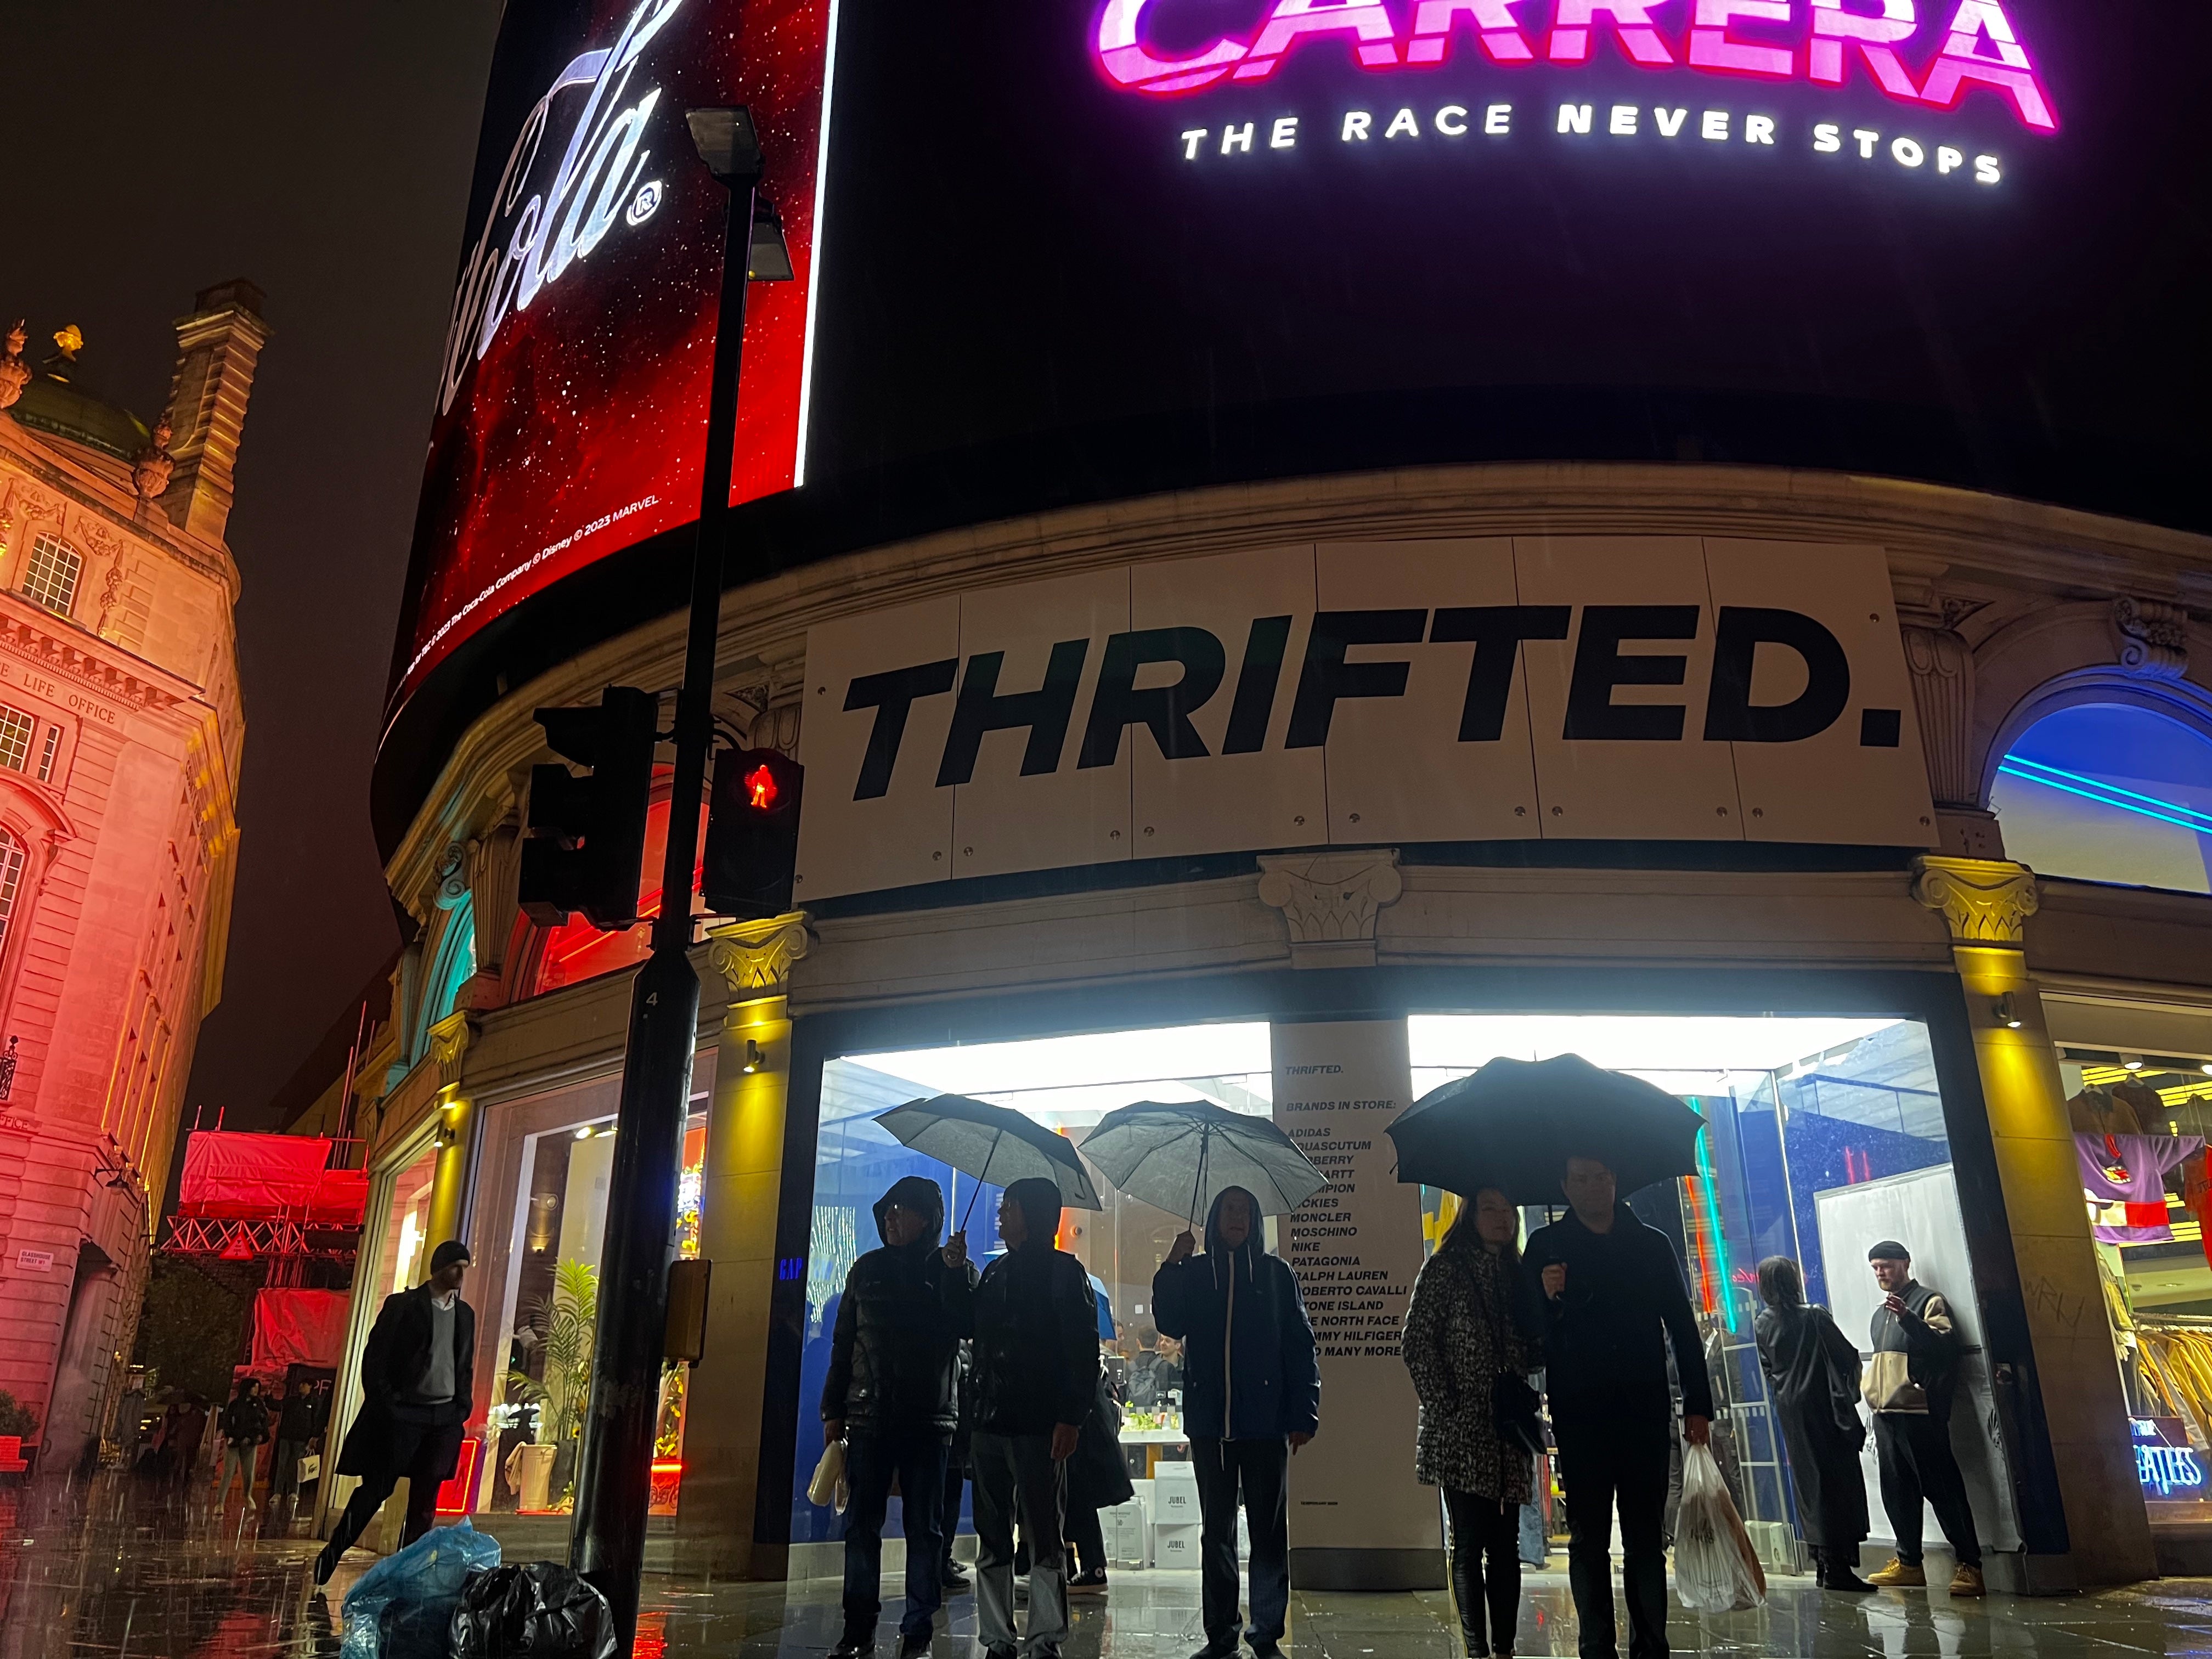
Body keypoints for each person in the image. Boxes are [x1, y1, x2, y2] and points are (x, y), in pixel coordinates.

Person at [1524, 1155, 1712, 1659]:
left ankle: (1652, 1645)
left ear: (1616, 1181)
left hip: (1643, 1407)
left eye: (1601, 1178)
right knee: (1587, 1538)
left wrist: (1699, 1403)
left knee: (1646, 1537)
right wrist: (1546, 1298)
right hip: (1579, 1409)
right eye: (1581, 1179)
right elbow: (1526, 1334)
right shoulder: (1546, 1248)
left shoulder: (1651, 1244)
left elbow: (1681, 1324)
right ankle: (1595, 1647)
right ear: (1564, 1185)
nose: (1592, 1188)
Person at [1155, 1186, 1319, 1659]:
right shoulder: (1194, 1273)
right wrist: (1171, 1266)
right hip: (1211, 1424)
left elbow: (1299, 1346)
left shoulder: (1276, 1275)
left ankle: (1266, 1633)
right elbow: (1169, 1321)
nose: (1238, 1217)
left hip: (1266, 1425)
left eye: (1245, 1211)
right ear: (1213, 1218)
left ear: (1255, 1222)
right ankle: (1221, 1634)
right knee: (1217, 1532)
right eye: (1229, 1209)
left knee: (1268, 1532)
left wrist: (1304, 1411)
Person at [820, 1175, 978, 1659]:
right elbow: (843, 1345)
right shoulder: (866, 1270)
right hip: (867, 1417)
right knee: (861, 1528)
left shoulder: (952, 1269)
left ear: (926, 1219)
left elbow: (967, 1326)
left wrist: (953, 1272)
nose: (890, 1217)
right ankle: (857, 1630)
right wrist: (834, 1410)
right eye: (887, 1210)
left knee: (924, 1531)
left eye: (901, 1210)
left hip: (929, 1421)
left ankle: (917, 1632)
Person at [1404, 1187, 1540, 1658]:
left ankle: (1505, 1647)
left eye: (1508, 1209)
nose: (1502, 1218)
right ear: (1470, 1215)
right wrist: (1446, 1406)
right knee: (1468, 1542)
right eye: (1491, 1208)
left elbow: (1538, 1348)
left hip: (1509, 1431)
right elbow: (1417, 1341)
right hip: (1459, 1431)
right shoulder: (1444, 1268)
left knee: (1506, 1545)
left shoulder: (1520, 1274)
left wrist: (1553, 1303)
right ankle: (1477, 1648)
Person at [970, 1177, 1098, 1659]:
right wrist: (951, 1271)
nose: (1001, 1215)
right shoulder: (994, 1272)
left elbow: (1082, 1352)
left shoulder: (1066, 1274)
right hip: (990, 1421)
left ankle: (1044, 1637)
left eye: (1010, 1207)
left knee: (1045, 1531)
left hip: (1040, 1424)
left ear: (1033, 1214)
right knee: (992, 1531)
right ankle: (997, 1638)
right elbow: (968, 1328)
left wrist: (1071, 1417)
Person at [315, 1240, 477, 1584]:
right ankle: (334, 1551)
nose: (461, 1275)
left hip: (443, 1418)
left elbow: (464, 1366)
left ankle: (408, 1574)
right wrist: (388, 1401)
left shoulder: (465, 1315)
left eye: (465, 1267)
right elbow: (376, 1357)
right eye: (455, 1267)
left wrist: (462, 1406)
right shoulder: (404, 1305)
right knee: (376, 1488)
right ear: (439, 1268)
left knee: (424, 1502)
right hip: (404, 1414)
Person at [1862, 1242, 1983, 1597]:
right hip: (1888, 1414)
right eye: (1875, 1268)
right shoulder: (1880, 1313)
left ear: (1905, 1264)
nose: (1881, 1273)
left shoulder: (1927, 1302)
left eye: (1886, 1265)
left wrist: (1909, 1320)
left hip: (1920, 1413)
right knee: (1898, 1491)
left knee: (1943, 1490)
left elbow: (1944, 1349)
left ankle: (1971, 1565)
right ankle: (1910, 1563)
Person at [1752, 1257, 1872, 1594]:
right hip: (1824, 1410)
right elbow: (1846, 1356)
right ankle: (1838, 1566)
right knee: (1837, 1484)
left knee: (1810, 1485)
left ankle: (1821, 1561)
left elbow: (1768, 1369)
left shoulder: (1761, 1323)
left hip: (1791, 1413)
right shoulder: (1815, 1317)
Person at [1064, 1367, 1136, 1591]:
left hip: (1077, 1427)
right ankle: (1082, 1566)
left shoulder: (1076, 1348)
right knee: (1071, 1498)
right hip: (1081, 1424)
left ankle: (1091, 1566)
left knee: (1075, 1496)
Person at [214, 1379, 270, 1514]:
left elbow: (264, 1422)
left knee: (248, 1472)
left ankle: (247, 1495)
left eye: (257, 1388)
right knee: (229, 1472)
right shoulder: (235, 1404)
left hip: (250, 1443)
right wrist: (232, 1436)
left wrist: (259, 1437)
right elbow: (227, 1421)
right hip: (235, 1442)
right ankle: (220, 1502)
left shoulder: (259, 1405)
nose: (256, 1390)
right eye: (253, 1388)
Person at [272, 1379, 319, 1504]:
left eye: (304, 1384)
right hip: (286, 1437)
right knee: (282, 1464)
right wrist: (269, 1396)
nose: (301, 1386)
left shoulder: (314, 1402)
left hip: (302, 1439)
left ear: (310, 1387)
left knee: (296, 1465)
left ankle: (293, 1492)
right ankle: (278, 1492)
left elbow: (316, 1420)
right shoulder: (292, 1400)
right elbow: (277, 1405)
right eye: (300, 1384)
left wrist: (313, 1437)